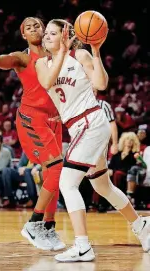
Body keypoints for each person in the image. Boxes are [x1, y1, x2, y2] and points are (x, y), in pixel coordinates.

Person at [35, 19, 150, 262]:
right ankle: (143, 227)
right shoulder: (41, 64)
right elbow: (47, 83)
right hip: (78, 127)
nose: (46, 36)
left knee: (67, 183)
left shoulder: (81, 55)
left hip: (91, 122)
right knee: (102, 186)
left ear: (66, 36)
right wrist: (62, 53)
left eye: (52, 33)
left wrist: (96, 53)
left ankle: (83, 245)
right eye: (46, 33)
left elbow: (101, 84)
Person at [0, 6, 65, 251]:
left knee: (52, 175)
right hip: (31, 118)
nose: (34, 28)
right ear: (23, 34)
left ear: (45, 29)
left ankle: (49, 227)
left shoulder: (57, 54)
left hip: (54, 120)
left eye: (37, 24)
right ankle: (34, 222)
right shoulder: (22, 58)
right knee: (56, 168)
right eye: (28, 27)